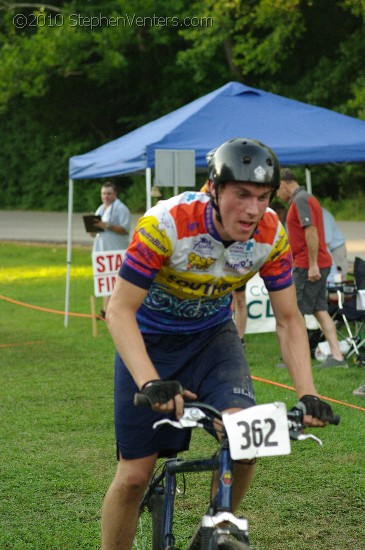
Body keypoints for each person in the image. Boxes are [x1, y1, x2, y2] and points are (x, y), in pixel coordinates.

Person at [102, 138, 336, 549]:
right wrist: (148, 381)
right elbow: (118, 311)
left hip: (212, 339)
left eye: (263, 197)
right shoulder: (166, 224)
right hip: (149, 339)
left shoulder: (271, 234)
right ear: (213, 188)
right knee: (135, 475)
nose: (252, 209)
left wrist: (308, 392)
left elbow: (288, 319)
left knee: (244, 440)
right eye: (241, 195)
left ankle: (214, 528)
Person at [277, 168, 347, 367]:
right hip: (314, 263)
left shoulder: (300, 200)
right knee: (319, 309)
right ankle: (337, 356)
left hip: (308, 264)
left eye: (276, 191)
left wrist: (313, 264)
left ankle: (295, 358)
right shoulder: (305, 198)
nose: (277, 196)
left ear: (283, 183)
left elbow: (311, 231)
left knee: (294, 311)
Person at [90, 181, 131, 317]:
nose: (106, 196)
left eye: (109, 193)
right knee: (105, 280)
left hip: (116, 251)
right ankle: (105, 310)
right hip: (102, 251)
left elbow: (125, 229)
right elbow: (96, 231)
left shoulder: (121, 208)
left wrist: (106, 225)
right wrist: (92, 230)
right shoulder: (100, 209)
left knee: (116, 281)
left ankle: (115, 310)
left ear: (115, 194)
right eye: (103, 193)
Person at [322, 207, 348, 282]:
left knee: (338, 280)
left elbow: (326, 242)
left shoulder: (324, 216)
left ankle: (339, 293)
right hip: (328, 249)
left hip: (336, 249)